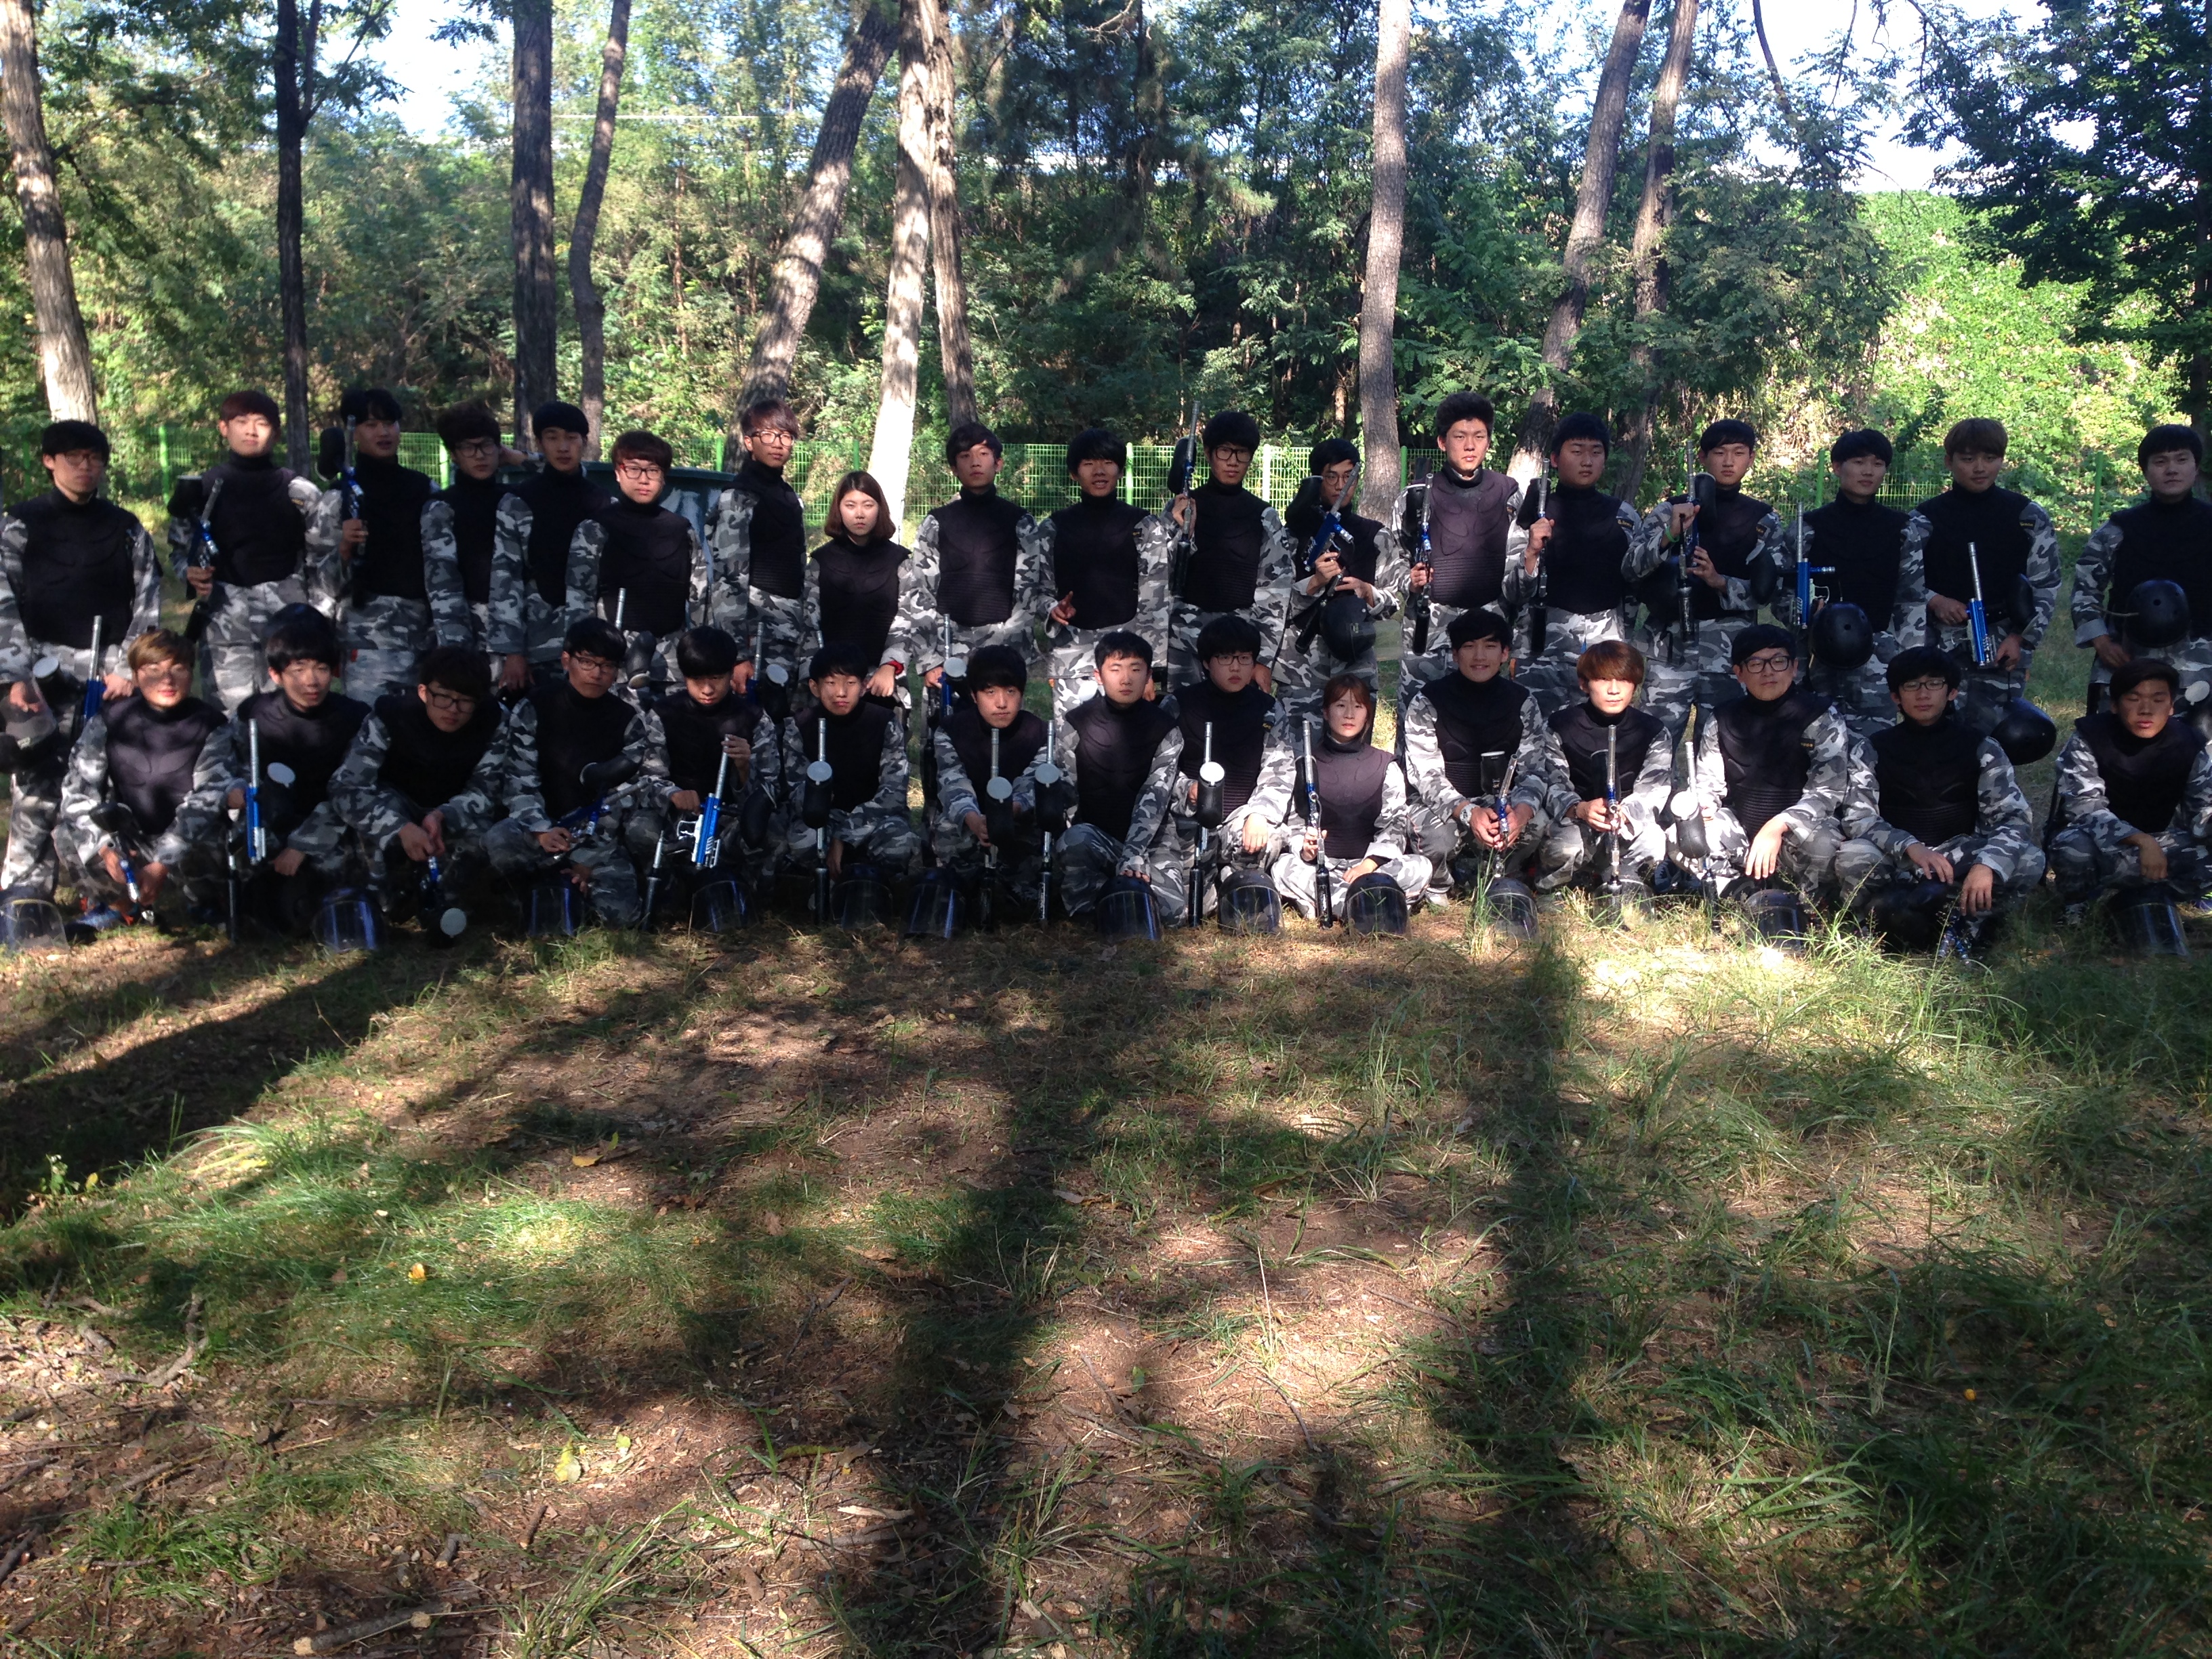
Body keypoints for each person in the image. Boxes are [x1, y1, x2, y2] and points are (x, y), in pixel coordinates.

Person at [0, 419, 163, 900]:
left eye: (94, 458)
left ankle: (103, 889)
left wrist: (130, 670)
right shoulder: (19, 524)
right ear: (50, 462)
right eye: (74, 458)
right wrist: (16, 676)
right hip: (39, 670)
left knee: (102, 784)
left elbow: (148, 601)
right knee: (36, 784)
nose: (85, 467)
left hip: (110, 674)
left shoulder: (126, 527)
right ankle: (25, 894)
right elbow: (3, 601)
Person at [459, 617, 665, 926]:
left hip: (597, 839)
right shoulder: (534, 708)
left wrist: (587, 860)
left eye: (607, 666)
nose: (597, 673)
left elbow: (623, 797)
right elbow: (519, 782)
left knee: (621, 918)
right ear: (566, 660)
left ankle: (576, 892)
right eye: (587, 662)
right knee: (500, 841)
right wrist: (541, 830)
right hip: (541, 829)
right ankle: (531, 892)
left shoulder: (628, 720)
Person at [1834, 646, 2043, 949]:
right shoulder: (1871, 749)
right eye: (1911, 685)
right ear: (1895, 697)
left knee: (2030, 860)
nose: (1923, 694)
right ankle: (1869, 926)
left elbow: (2013, 817)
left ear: (1952, 692)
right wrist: (1910, 847)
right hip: (1898, 858)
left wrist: (1987, 865)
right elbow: (1858, 817)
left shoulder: (1982, 747)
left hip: (1958, 855)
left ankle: (1976, 923)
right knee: (1853, 857)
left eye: (1934, 684)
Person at [186, 605, 371, 932]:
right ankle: (216, 904)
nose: (311, 681)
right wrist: (233, 791)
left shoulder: (355, 717)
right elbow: (214, 765)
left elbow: (356, 791)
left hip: (332, 826)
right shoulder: (254, 714)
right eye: (298, 670)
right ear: (275, 675)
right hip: (271, 821)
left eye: (321, 669)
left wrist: (303, 844)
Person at [164, 389, 341, 712]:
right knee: (229, 716)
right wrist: (189, 573)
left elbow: (324, 560)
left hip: (287, 618)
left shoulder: (300, 492)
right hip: (224, 619)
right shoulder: (201, 489)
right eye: (241, 422)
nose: (251, 431)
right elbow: (179, 550)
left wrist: (320, 616)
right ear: (223, 428)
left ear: (276, 432)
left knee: (288, 713)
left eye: (262, 423)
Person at [325, 643, 506, 929]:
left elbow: (487, 788)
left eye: (465, 702)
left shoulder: (495, 719)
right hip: (396, 805)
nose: (453, 710)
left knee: (484, 834)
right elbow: (346, 787)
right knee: (375, 813)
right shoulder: (390, 715)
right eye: (443, 698)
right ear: (423, 692)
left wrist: (444, 816)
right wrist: (400, 828)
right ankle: (378, 896)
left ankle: (447, 895)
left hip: (451, 808)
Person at [1669, 624, 1851, 903]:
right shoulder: (1723, 719)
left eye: (1778, 661)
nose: (1768, 672)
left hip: (1796, 833)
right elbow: (1708, 785)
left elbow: (1827, 792)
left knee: (1825, 845)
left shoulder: (1820, 715)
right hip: (1741, 832)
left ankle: (1806, 901)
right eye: (1755, 664)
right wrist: (1703, 807)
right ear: (1739, 673)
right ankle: (1737, 891)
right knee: (1680, 836)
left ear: (1794, 667)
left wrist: (1777, 826)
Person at [58, 629, 228, 928]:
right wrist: (106, 849)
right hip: (134, 840)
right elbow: (78, 792)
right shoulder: (109, 721)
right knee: (66, 833)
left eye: (178, 669)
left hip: (187, 844)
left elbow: (206, 800)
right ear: (135, 676)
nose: (167, 680)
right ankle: (121, 906)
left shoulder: (212, 725)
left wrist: (162, 863)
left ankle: (204, 902)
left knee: (214, 826)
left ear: (191, 673)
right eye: (154, 670)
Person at [1627, 418, 1786, 733]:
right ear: (1702, 457)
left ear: (1751, 458)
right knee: (1654, 738)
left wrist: (1721, 582)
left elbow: (1771, 588)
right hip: (1669, 649)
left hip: (1730, 651)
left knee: (1725, 743)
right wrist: (1669, 536)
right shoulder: (1670, 510)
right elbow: (1630, 569)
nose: (1729, 462)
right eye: (1719, 452)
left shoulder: (1763, 519)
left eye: (1738, 453)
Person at [1902, 417, 2060, 734]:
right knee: (1935, 732)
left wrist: (2020, 638)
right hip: (1940, 643)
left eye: (1990, 458)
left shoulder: (2027, 516)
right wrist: (1936, 601)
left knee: (2000, 733)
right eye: (1968, 459)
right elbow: (1903, 580)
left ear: (2002, 460)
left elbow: (2046, 585)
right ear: (1949, 461)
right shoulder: (1924, 519)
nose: (1979, 468)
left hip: (2003, 642)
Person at [1016, 630, 1184, 920]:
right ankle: (1090, 907)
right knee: (1075, 840)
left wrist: (1134, 853)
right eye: (1115, 669)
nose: (1126, 679)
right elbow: (1055, 778)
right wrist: (1019, 803)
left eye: (1135, 669)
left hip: (1152, 843)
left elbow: (1155, 796)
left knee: (1172, 914)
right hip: (1096, 837)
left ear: (1149, 677)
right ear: (1098, 675)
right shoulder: (1076, 723)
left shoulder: (1167, 729)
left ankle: (1124, 892)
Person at [1250, 674, 1429, 924]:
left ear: (1367, 714)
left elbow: (1395, 824)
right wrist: (1306, 850)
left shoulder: (1385, 764)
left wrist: (1368, 866)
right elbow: (1295, 824)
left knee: (1420, 866)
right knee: (1283, 868)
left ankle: (1347, 902)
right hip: (1323, 869)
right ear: (1325, 712)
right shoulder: (1305, 765)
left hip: (1372, 869)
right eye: (1341, 705)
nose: (1349, 715)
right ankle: (1369, 903)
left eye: (1358, 706)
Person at [1782, 428, 1926, 736]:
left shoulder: (1902, 530)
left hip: (1879, 660)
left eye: (1877, 464)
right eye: (1859, 462)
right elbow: (1782, 592)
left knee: (1874, 748)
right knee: (1815, 745)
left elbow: (1911, 598)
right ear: (1837, 467)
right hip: (1815, 658)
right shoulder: (1807, 529)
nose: (1868, 471)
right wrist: (1806, 616)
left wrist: (1910, 661)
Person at [1401, 610, 1551, 901]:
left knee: (1538, 823)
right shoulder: (1427, 701)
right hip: (1446, 804)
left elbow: (1534, 771)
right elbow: (1426, 776)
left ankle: (1503, 872)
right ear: (1455, 654)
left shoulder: (1523, 702)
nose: (1479, 656)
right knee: (1438, 839)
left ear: (1505, 653)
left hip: (1502, 803)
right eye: (1469, 647)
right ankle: (1440, 883)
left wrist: (1520, 813)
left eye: (1490, 646)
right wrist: (1468, 812)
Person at [2048, 657, 2212, 919]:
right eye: (2134, 699)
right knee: (2072, 848)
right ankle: (2076, 906)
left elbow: (2201, 809)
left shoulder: (2190, 743)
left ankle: (2157, 901)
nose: (2146, 710)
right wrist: (2141, 840)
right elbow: (2085, 808)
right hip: (2098, 841)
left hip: (2159, 840)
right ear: (2114, 705)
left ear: (2172, 706)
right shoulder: (2089, 737)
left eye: (2158, 700)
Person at [893, 421, 1054, 688]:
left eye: (983, 454)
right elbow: (921, 594)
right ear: (954, 469)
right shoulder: (936, 523)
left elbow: (1028, 593)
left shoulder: (1020, 522)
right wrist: (929, 660)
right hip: (948, 650)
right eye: (965, 456)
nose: (975, 462)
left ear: (998, 463)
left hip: (1005, 649)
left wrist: (1010, 651)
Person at [1502, 413, 1641, 716]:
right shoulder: (1534, 514)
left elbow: (1634, 588)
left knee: (1601, 733)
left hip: (1605, 650)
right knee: (1536, 734)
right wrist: (1531, 552)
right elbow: (1512, 592)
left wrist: (1623, 642)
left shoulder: (1624, 516)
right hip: (1541, 650)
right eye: (1576, 451)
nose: (1587, 461)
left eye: (1596, 452)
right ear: (1555, 458)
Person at [1391, 392, 1521, 714]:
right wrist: (1410, 581)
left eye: (1479, 436)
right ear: (1442, 441)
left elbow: (1521, 569)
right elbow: (1391, 559)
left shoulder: (1509, 494)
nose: (1470, 446)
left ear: (1488, 442)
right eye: (1460, 437)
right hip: (1429, 629)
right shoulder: (1415, 497)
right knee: (1418, 715)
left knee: (1485, 719)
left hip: (1488, 630)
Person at [2071, 424, 2212, 714]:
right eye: (2160, 462)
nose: (2171, 469)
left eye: (2181, 460)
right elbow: (2085, 588)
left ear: (2196, 467)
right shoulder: (2119, 529)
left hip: (2200, 661)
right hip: (2126, 657)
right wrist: (2101, 641)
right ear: (2146, 472)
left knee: (2197, 740)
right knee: (2112, 738)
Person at [776, 639, 924, 900]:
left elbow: (894, 792)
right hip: (824, 817)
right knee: (803, 840)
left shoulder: (885, 722)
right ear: (815, 687)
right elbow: (797, 791)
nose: (841, 692)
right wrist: (820, 804)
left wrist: (846, 834)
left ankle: (875, 885)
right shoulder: (799, 726)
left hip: (875, 817)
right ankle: (823, 882)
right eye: (831, 683)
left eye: (851, 683)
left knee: (898, 842)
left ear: (864, 686)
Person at [567, 429, 711, 693]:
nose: (644, 479)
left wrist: (701, 660)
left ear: (663, 477)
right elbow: (579, 602)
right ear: (618, 473)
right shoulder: (595, 529)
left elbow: (700, 601)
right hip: (612, 664)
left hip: (673, 666)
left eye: (653, 470)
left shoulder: (682, 530)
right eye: (633, 469)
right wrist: (590, 662)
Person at [1164, 411, 1298, 691]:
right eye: (1225, 451)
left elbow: (1276, 592)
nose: (1233, 461)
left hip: (1240, 647)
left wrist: (1262, 660)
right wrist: (1182, 532)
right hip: (1183, 643)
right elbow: (1157, 578)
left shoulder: (1264, 517)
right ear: (1208, 453)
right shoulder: (1181, 509)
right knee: (1184, 715)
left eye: (1242, 453)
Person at [1043, 428, 1171, 713]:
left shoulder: (1144, 526)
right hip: (1072, 658)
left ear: (1120, 471)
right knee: (1072, 739)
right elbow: (1037, 590)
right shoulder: (1053, 528)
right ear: (1074, 473)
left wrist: (1151, 669)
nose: (1099, 471)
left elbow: (1156, 600)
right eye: (1089, 463)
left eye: (1108, 463)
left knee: (1129, 737)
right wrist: (1053, 609)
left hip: (1128, 662)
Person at [1530, 641, 1671, 898]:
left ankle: (1623, 882)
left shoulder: (1653, 731)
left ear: (1635, 685)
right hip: (1574, 821)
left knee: (1654, 841)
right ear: (1584, 684)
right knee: (1566, 846)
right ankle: (1552, 888)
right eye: (1603, 680)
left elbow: (1654, 791)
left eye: (1624, 680)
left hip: (1625, 825)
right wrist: (1579, 809)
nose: (1614, 690)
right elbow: (1552, 782)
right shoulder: (1559, 726)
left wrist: (1625, 814)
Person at [489, 401, 612, 693]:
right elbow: (505, 578)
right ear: (540, 443)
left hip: (594, 650)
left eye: (571, 438)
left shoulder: (606, 504)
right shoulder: (518, 502)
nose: (563, 447)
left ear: (585, 442)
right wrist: (512, 652)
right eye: (553, 437)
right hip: (537, 646)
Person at [636, 626, 762, 903]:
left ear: (731, 674)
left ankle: (747, 891)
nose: (707, 689)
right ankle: (670, 889)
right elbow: (648, 776)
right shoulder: (663, 713)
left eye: (716, 678)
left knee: (770, 832)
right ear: (684, 676)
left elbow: (770, 791)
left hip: (731, 821)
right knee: (639, 828)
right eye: (697, 679)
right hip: (678, 819)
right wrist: (673, 794)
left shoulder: (754, 718)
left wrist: (745, 768)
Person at [1276, 438, 1403, 715]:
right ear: (1316, 480)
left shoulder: (1375, 536)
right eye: (1331, 476)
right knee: (1296, 740)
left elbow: (1394, 600)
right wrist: (1314, 583)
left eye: (1349, 477)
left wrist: (1367, 592)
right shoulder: (1291, 536)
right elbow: (1273, 605)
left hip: (1356, 662)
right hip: (1300, 666)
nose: (1340, 485)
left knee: (1351, 741)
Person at [327, 388, 438, 701]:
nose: (383, 433)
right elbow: (318, 583)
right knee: (369, 724)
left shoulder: (425, 490)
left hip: (424, 638)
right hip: (367, 641)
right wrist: (344, 548)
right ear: (353, 432)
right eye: (371, 425)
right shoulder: (338, 497)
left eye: (390, 423)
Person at [1170, 614, 1281, 916]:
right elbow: (1161, 768)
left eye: (1244, 659)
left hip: (1242, 820)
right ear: (1207, 663)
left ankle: (1236, 879)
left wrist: (1259, 813)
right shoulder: (1179, 705)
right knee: (1187, 908)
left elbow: (1279, 770)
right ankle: (1211, 885)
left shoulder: (1269, 709)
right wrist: (1188, 790)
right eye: (1225, 658)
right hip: (1191, 820)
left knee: (1265, 841)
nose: (1235, 667)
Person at [928, 644, 1048, 902]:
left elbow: (1033, 783)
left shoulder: (1038, 732)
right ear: (974, 695)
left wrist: (1012, 810)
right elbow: (952, 781)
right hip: (970, 821)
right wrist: (974, 820)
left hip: (1017, 822)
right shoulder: (951, 730)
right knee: (948, 832)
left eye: (1010, 691)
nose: (1001, 703)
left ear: (1022, 692)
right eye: (990, 692)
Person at [709, 398, 810, 690]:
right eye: (768, 435)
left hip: (790, 630)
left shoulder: (790, 498)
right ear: (749, 442)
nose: (778, 444)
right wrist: (737, 653)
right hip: (755, 633)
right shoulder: (738, 498)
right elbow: (729, 578)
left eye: (786, 436)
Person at [801, 470, 909, 706]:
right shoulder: (821, 562)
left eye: (868, 505)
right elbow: (809, 627)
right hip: (831, 683)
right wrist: (822, 678)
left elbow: (909, 620)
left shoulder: (900, 561)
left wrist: (890, 666)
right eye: (850, 505)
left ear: (879, 508)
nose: (860, 514)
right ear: (838, 509)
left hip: (883, 680)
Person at [422, 403, 508, 673]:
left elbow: (564, 473)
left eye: (486, 445)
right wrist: (457, 651)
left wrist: (518, 457)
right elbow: (443, 585)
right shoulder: (441, 507)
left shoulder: (514, 500)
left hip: (516, 629)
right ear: (454, 455)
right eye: (468, 448)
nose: (479, 455)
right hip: (467, 628)